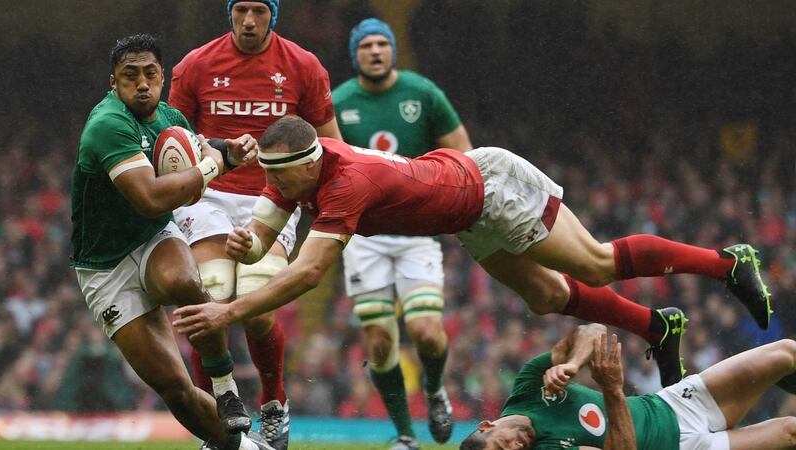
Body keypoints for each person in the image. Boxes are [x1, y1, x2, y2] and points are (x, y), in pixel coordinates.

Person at [172, 116, 771, 401]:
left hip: (490, 186)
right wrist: (245, 243)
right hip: (465, 214)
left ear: (306, 163)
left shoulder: (343, 182)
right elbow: (262, 231)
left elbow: (308, 272)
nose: (279, 187)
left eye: (285, 178)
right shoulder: (292, 171)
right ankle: (658, 326)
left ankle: (728, 262)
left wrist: (229, 314)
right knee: (545, 298)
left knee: (592, 262)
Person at [70, 33, 273, 450]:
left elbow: (196, 150)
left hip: (152, 238)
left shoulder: (170, 118)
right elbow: (150, 198)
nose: (142, 84)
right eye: (130, 76)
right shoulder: (108, 125)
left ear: (162, 76)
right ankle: (248, 449)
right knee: (175, 388)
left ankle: (225, 388)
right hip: (104, 268)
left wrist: (227, 151)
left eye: (150, 74)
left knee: (184, 281)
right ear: (114, 82)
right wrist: (215, 166)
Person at [167, 2, 342, 448]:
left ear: (273, 14)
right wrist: (220, 149)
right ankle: (215, 420)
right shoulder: (195, 65)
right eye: (241, 9)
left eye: (259, 10)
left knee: (257, 306)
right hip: (207, 194)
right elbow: (172, 140)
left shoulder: (304, 66)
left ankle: (273, 402)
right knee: (214, 292)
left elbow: (331, 145)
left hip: (275, 196)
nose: (249, 19)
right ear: (229, 13)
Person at [332, 18, 473, 450]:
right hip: (366, 235)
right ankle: (405, 435)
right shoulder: (337, 102)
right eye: (366, 45)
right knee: (378, 342)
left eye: (382, 44)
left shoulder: (423, 92)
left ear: (392, 49)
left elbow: (465, 154)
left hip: (416, 230)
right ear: (355, 54)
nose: (375, 51)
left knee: (428, 331)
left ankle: (433, 391)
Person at [459, 323, 796, 450]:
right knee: (790, 433)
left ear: (488, 426)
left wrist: (572, 364)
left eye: (504, 447)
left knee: (785, 352)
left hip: (675, 404)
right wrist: (612, 390)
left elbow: (591, 331)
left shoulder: (528, 390)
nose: (518, 449)